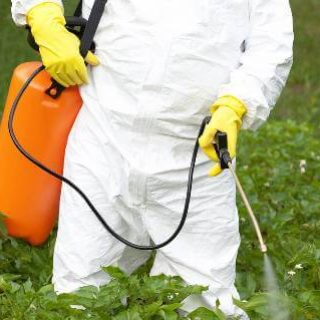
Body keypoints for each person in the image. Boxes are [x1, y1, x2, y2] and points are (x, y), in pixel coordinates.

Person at [11, 0, 293, 317]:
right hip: (103, 140)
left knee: (202, 303)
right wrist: (43, 15)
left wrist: (238, 102)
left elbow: (272, 42)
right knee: (79, 295)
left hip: (197, 159)